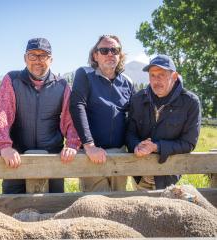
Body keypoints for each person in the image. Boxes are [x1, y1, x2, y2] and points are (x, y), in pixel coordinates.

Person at [0, 37, 81, 194]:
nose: (38, 60)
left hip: (53, 159)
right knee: (12, 207)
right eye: (33, 55)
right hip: (16, 157)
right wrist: (5, 146)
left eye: (43, 56)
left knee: (53, 208)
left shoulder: (61, 85)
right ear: (25, 58)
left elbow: (71, 118)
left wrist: (72, 144)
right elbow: (2, 113)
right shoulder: (12, 80)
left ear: (51, 60)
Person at [70, 35, 135, 192]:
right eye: (104, 50)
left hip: (120, 154)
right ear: (95, 55)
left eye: (115, 50)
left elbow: (135, 118)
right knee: (95, 205)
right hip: (92, 153)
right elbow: (77, 106)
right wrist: (89, 146)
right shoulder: (84, 74)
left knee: (119, 203)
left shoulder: (128, 82)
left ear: (120, 55)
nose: (110, 54)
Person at [126, 54, 201, 189]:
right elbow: (130, 133)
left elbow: (188, 143)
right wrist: (136, 145)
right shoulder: (138, 99)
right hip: (140, 174)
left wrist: (156, 147)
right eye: (152, 75)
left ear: (174, 76)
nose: (156, 80)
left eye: (161, 75)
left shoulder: (190, 102)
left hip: (168, 177)